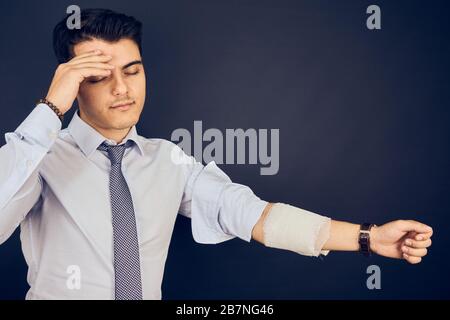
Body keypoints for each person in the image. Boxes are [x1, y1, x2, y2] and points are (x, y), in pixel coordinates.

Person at [0, 8, 433, 300]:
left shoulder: (168, 161)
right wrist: (50, 109)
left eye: (132, 71)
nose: (122, 89)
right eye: (98, 77)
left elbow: (254, 215)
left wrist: (368, 238)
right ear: (73, 83)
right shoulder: (37, 156)